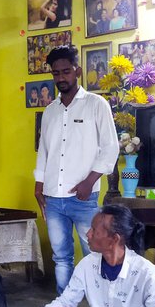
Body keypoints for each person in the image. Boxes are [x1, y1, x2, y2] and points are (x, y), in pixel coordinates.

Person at [33, 45, 118, 294]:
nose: (61, 78)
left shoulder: (96, 105)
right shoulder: (49, 112)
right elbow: (44, 152)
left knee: (94, 253)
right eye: (56, 73)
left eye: (66, 71)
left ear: (77, 71)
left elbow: (110, 148)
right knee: (61, 257)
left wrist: (89, 182)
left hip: (83, 198)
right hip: (53, 198)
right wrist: (39, 184)